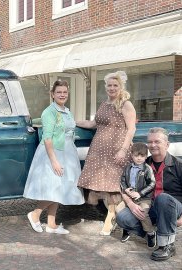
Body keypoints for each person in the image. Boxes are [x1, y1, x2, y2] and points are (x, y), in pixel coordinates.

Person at [76, 71, 136, 236]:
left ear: (120, 86)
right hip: (99, 150)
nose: (112, 88)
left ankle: (111, 218)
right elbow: (93, 124)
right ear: (105, 87)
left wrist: (124, 150)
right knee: (101, 183)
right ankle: (114, 214)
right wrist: (72, 122)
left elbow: (131, 129)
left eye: (115, 85)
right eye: (109, 85)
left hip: (116, 150)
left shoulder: (125, 104)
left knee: (112, 186)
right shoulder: (103, 104)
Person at [23, 80, 84, 234]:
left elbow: (71, 127)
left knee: (61, 187)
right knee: (56, 188)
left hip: (67, 152)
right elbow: (48, 138)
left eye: (65, 92)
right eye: (59, 92)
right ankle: (35, 214)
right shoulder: (49, 112)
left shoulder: (66, 111)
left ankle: (51, 224)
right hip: (53, 153)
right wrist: (54, 161)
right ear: (52, 94)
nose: (62, 95)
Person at [116, 127, 182, 261]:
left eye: (157, 141)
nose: (152, 145)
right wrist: (130, 204)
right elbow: (123, 187)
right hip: (148, 206)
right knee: (123, 217)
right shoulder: (141, 164)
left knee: (162, 198)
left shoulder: (178, 165)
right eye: (150, 142)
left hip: (172, 207)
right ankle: (154, 234)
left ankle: (167, 245)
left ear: (167, 144)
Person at [115, 142, 156, 247]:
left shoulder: (147, 169)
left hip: (144, 198)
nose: (139, 158)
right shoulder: (128, 167)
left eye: (142, 156)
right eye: (136, 156)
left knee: (142, 213)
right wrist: (126, 190)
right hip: (130, 196)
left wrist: (140, 193)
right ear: (132, 155)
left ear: (146, 156)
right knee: (118, 209)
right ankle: (127, 229)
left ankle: (150, 233)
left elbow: (152, 183)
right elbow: (122, 180)